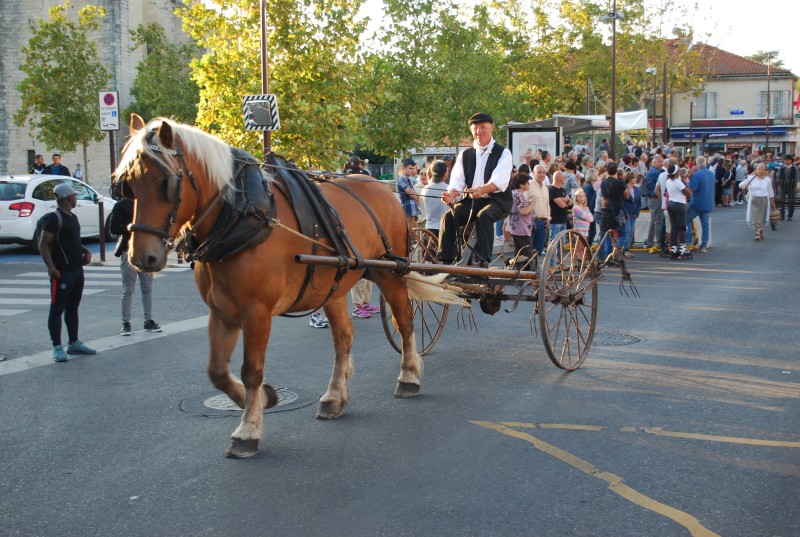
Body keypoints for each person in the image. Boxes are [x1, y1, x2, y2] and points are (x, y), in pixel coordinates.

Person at [437, 113, 513, 266]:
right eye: (475, 128)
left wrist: (482, 189)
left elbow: (499, 181)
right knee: (448, 216)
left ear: (492, 127)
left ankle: (482, 262)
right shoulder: (465, 155)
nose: (479, 131)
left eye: (483, 127)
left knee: (484, 216)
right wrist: (451, 195)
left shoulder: (503, 153)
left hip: (497, 201)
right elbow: (457, 181)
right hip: (473, 201)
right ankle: (445, 260)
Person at [40, 183, 96, 361]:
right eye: (74, 195)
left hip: (77, 270)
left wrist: (85, 251)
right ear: (67, 198)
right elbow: (43, 244)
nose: (75, 198)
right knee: (57, 309)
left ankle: (74, 343)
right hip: (62, 273)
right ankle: (57, 347)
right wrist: (52, 268)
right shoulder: (53, 218)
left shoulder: (72, 217)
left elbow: (72, 241)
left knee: (73, 307)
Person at [109, 198, 162, 335]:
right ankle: (126, 323)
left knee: (147, 288)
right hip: (128, 250)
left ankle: (148, 320)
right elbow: (113, 227)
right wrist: (134, 230)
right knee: (128, 289)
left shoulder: (146, 203)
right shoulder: (121, 205)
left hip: (146, 250)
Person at [343, 155, 379, 319]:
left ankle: (364, 303)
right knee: (359, 268)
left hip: (360, 223)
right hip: (357, 226)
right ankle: (358, 305)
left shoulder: (342, 177)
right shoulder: (363, 175)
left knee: (367, 268)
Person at [598, 162, 629, 263]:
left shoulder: (603, 183)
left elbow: (603, 198)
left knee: (608, 234)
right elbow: (627, 195)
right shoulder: (620, 183)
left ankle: (608, 255)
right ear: (616, 171)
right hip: (618, 211)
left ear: (607, 171)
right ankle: (616, 248)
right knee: (623, 233)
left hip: (606, 211)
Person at [686, 156, 714, 253]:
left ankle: (688, 240)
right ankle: (704, 245)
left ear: (697, 165)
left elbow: (692, 188)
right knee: (705, 225)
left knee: (686, 218)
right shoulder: (711, 174)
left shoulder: (697, 175)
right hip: (708, 202)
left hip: (697, 203)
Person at [740, 163, 775, 241]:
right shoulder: (751, 178)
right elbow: (742, 184)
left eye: (762, 169)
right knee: (755, 217)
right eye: (759, 169)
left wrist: (772, 201)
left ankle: (760, 230)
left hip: (764, 200)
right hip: (754, 200)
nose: (760, 171)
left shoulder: (767, 180)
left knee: (762, 217)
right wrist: (743, 186)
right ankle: (757, 233)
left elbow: (770, 191)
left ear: (764, 170)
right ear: (756, 170)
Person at [664, 165, 692, 260]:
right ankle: (682, 248)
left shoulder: (668, 181)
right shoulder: (678, 182)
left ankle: (673, 247)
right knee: (682, 227)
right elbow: (688, 192)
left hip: (670, 203)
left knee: (674, 226)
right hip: (679, 204)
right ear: (676, 173)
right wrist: (687, 197)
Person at [506, 172, 534, 258]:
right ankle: (525, 270)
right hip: (521, 228)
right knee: (526, 253)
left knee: (519, 253)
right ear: (522, 185)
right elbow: (523, 211)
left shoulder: (515, 193)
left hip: (517, 227)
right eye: (527, 182)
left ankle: (517, 269)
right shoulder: (517, 195)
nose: (529, 184)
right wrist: (532, 203)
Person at [527, 164, 551, 256]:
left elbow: (547, 205)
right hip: (532, 222)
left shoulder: (545, 188)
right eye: (539, 172)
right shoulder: (528, 186)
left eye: (544, 172)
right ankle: (528, 269)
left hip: (543, 223)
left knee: (539, 250)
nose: (542, 174)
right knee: (529, 249)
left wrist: (548, 218)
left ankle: (535, 268)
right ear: (534, 173)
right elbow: (525, 203)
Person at [422, 160, 449, 234]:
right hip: (445, 228)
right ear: (446, 173)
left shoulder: (425, 189)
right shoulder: (449, 189)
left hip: (429, 229)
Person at [621, 171, 641, 257]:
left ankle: (627, 247)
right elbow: (621, 202)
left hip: (633, 213)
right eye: (634, 178)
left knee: (631, 231)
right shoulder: (624, 188)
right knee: (627, 231)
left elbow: (639, 202)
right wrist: (625, 212)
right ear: (629, 179)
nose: (636, 179)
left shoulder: (637, 189)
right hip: (626, 213)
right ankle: (626, 249)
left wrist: (637, 212)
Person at [396, 158, 420, 229]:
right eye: (410, 168)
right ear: (404, 168)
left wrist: (416, 195)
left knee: (414, 234)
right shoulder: (401, 178)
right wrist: (416, 196)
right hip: (407, 211)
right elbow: (410, 192)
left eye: (413, 168)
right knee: (410, 234)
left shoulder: (411, 179)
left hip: (414, 211)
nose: (413, 170)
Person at [775, 154, 797, 221]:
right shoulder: (781, 168)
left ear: (791, 161)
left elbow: (797, 177)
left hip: (791, 186)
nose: (786, 161)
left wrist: (796, 186)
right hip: (782, 186)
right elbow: (778, 177)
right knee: (781, 201)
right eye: (785, 160)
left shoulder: (794, 168)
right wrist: (777, 185)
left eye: (787, 160)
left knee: (791, 201)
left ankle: (789, 216)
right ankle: (782, 216)